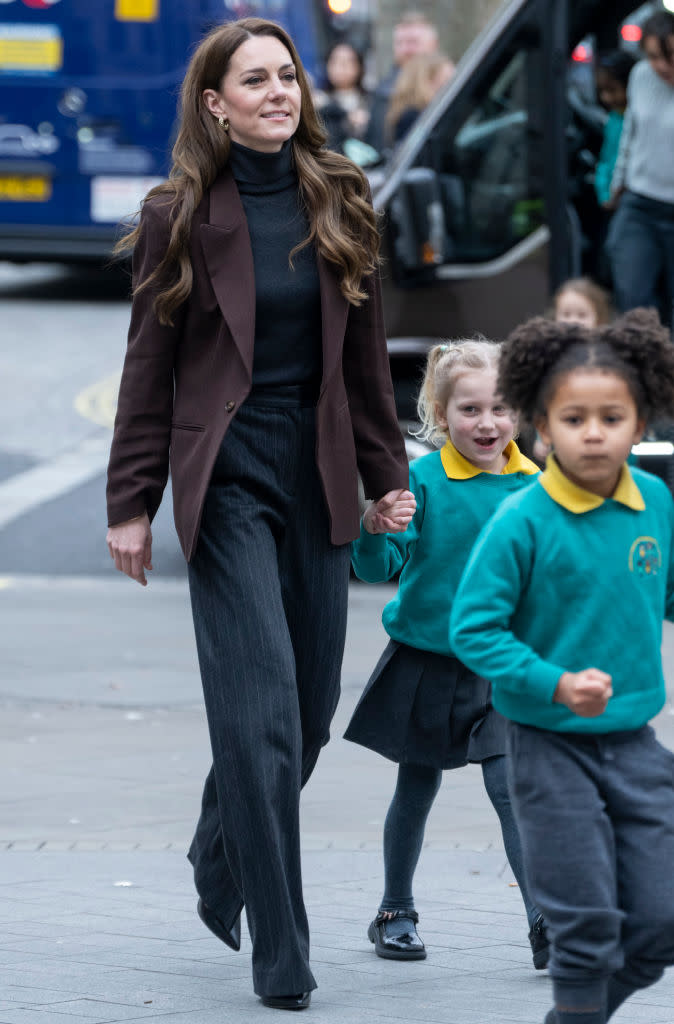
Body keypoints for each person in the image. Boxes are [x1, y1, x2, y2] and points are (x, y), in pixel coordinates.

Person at [105, 17, 413, 1012]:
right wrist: (130, 504)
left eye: (288, 76)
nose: (280, 91)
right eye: (256, 80)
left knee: (305, 714)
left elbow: (365, 362)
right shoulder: (180, 214)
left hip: (317, 472)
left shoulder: (342, 197)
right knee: (259, 716)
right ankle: (281, 952)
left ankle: (217, 838)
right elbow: (146, 370)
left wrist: (385, 474)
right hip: (226, 479)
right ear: (215, 104)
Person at [451, 308, 674, 1024]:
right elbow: (473, 629)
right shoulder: (522, 519)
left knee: (661, 925)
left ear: (640, 425)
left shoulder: (657, 503)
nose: (594, 431)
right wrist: (554, 682)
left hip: (636, 743)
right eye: (573, 418)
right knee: (584, 934)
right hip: (547, 748)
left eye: (612, 416)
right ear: (541, 429)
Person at [344, 341, 549, 969]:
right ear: (440, 411)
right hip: (427, 660)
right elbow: (377, 565)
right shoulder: (421, 480)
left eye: (502, 407)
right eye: (470, 409)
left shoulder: (538, 487)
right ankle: (394, 911)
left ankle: (545, 921)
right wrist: (373, 527)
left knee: (509, 784)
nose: (487, 423)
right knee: (417, 786)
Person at [607, 11, 674, 325]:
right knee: (633, 298)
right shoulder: (640, 76)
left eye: (669, 56)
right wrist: (617, 181)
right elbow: (630, 134)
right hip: (640, 202)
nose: (661, 65)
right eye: (653, 57)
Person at [532, 278, 612, 464]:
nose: (573, 321)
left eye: (582, 315)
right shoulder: (549, 356)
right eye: (566, 314)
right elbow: (542, 401)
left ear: (598, 318)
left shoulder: (609, 354)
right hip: (563, 435)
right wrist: (540, 438)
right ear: (555, 317)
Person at [365, 10, 444, 155]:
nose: (406, 49)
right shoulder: (383, 93)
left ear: (434, 45)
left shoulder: (449, 87)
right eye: (400, 43)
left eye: (413, 42)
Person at [593, 51, 635, 212]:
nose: (606, 98)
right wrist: (605, 194)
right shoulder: (614, 118)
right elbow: (607, 158)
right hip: (614, 198)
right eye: (602, 91)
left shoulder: (637, 118)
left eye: (612, 90)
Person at [384, 51, 455, 145]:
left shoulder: (414, 113)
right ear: (426, 81)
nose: (452, 84)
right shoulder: (414, 117)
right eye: (447, 79)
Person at [313, 41, 371, 154]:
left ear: (359, 66)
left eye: (347, 62)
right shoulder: (319, 101)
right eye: (335, 61)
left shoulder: (370, 100)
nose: (341, 68)